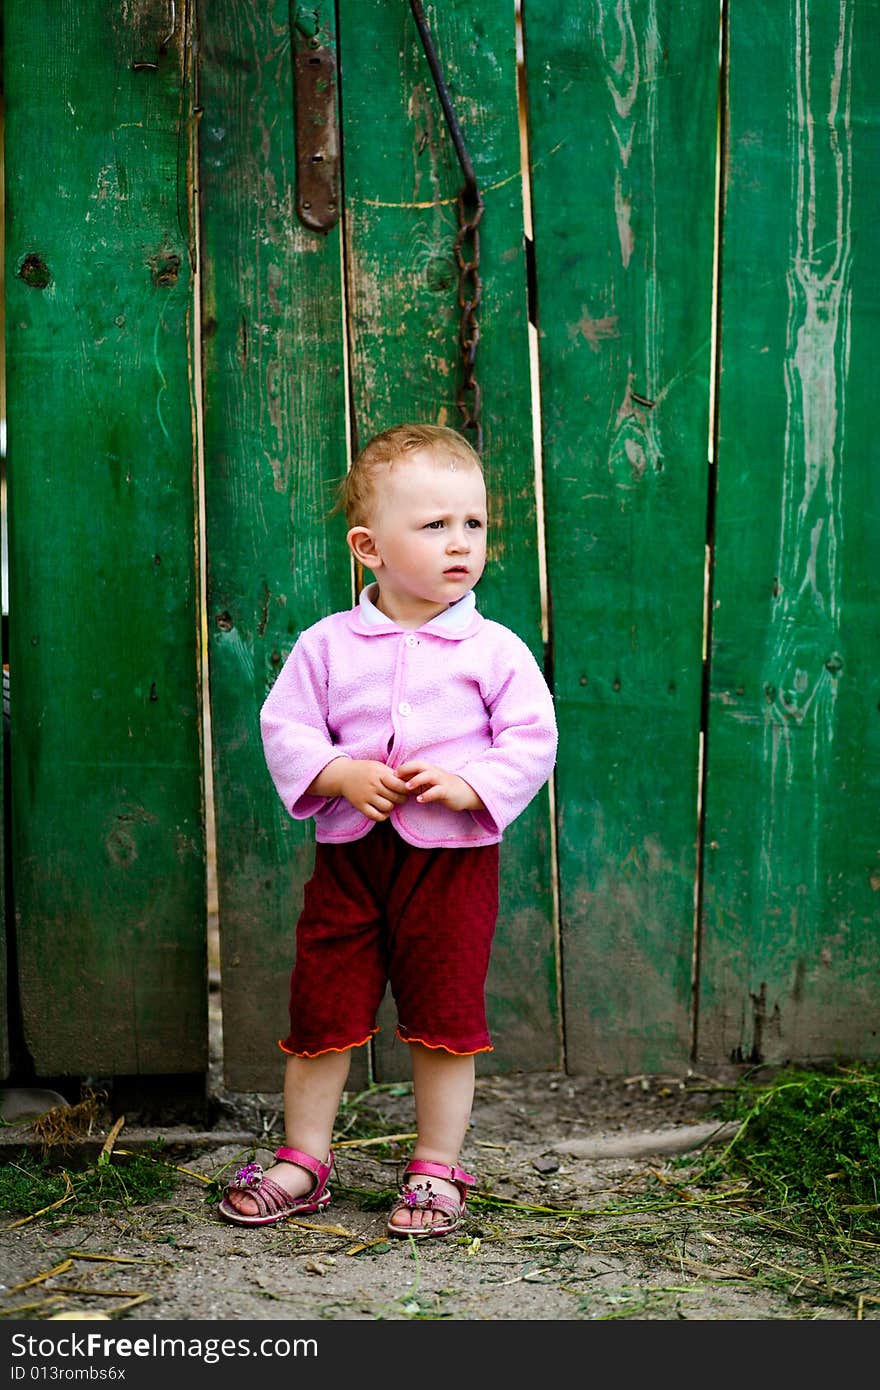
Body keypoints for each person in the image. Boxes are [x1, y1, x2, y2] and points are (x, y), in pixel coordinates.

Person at [219, 422, 557, 1237]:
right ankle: (305, 1159)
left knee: (444, 1016)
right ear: (369, 547)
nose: (460, 543)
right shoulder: (329, 645)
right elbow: (287, 727)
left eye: (473, 524)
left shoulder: (494, 650)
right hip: (350, 863)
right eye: (434, 525)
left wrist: (468, 782)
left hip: (451, 868)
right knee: (321, 1009)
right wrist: (338, 773)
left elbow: (532, 738)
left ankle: (437, 1168)